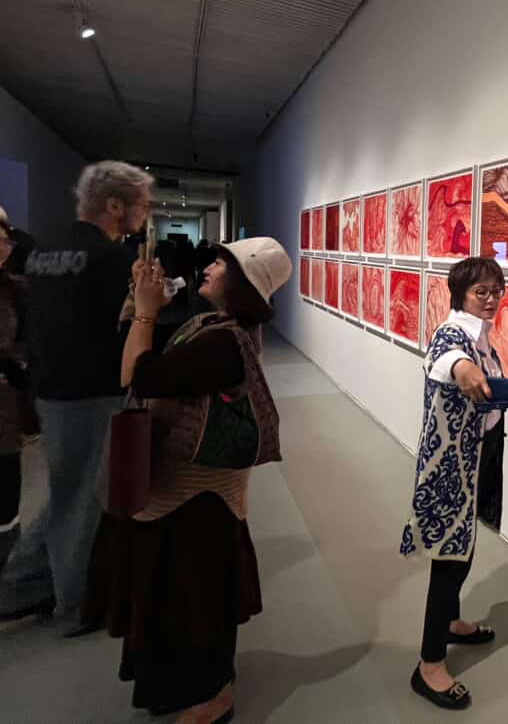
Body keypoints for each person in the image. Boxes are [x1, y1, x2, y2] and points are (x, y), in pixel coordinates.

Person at [85, 237, 291, 724]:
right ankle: (179, 685)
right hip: (182, 493)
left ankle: (214, 694)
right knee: (175, 596)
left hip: (199, 496)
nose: (209, 267)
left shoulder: (224, 341)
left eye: (222, 262)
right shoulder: (210, 325)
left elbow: (139, 376)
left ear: (242, 281)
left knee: (195, 598)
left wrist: (145, 312)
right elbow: (135, 362)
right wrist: (141, 307)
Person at [0, 161, 153, 635]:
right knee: (83, 498)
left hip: (51, 389)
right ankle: (72, 599)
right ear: (115, 205)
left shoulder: (44, 249)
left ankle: (24, 584)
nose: (145, 214)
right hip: (92, 391)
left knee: (68, 490)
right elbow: (122, 329)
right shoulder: (109, 258)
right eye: (142, 204)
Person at [401, 257, 508, 711]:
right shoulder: (453, 334)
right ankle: (429, 666)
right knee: (448, 561)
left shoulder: (481, 336)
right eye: (481, 292)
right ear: (460, 294)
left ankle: (450, 622)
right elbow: (446, 360)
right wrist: (464, 370)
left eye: (497, 290)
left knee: (463, 550)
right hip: (452, 468)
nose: (491, 299)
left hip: (477, 459)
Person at [0, 217, 36, 539]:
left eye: (4, 242)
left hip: (6, 402)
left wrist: (16, 363)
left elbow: (29, 341)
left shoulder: (17, 290)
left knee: (6, 488)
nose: (2, 249)